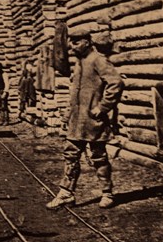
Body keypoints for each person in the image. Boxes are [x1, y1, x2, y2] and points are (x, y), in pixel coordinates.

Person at [46, 29, 124, 210]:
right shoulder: (79, 63)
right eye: (71, 42)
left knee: (98, 156)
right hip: (76, 121)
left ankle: (107, 193)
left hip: (93, 120)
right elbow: (76, 92)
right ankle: (66, 193)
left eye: (77, 41)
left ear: (88, 42)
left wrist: (103, 107)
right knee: (70, 155)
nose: (72, 45)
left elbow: (116, 83)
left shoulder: (98, 60)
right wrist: (68, 113)